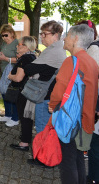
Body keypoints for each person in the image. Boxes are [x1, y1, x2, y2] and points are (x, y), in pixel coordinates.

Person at [48, 24, 98, 184]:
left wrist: (53, 105)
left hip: (70, 120)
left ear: (76, 39)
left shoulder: (72, 61)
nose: (64, 38)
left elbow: (59, 90)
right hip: (85, 119)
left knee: (67, 163)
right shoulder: (91, 62)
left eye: (68, 35)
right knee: (77, 159)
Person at [24, 20, 67, 166]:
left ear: (55, 35)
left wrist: (32, 63)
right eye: (41, 33)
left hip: (46, 95)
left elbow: (29, 69)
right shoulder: (55, 49)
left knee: (43, 127)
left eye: (45, 34)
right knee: (45, 127)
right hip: (49, 93)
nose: (42, 37)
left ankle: (43, 159)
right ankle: (45, 156)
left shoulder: (54, 50)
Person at [76, 20, 99, 184]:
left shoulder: (94, 48)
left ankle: (93, 177)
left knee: (96, 144)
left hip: (94, 100)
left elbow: (90, 78)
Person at [7, 36, 37, 152]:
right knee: (27, 117)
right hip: (29, 91)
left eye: (19, 45)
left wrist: (10, 76)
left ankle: (24, 143)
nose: (17, 46)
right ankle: (25, 139)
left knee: (24, 117)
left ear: (26, 47)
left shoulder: (25, 59)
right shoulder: (32, 56)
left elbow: (18, 78)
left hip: (22, 92)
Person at [0, 24, 19, 127]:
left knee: (12, 95)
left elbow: (21, 58)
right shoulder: (4, 44)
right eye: (2, 35)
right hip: (5, 72)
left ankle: (15, 118)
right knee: (4, 93)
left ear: (12, 33)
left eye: (6, 35)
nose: (4, 37)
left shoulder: (17, 43)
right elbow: (1, 59)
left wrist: (5, 59)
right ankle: (8, 115)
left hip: (13, 72)